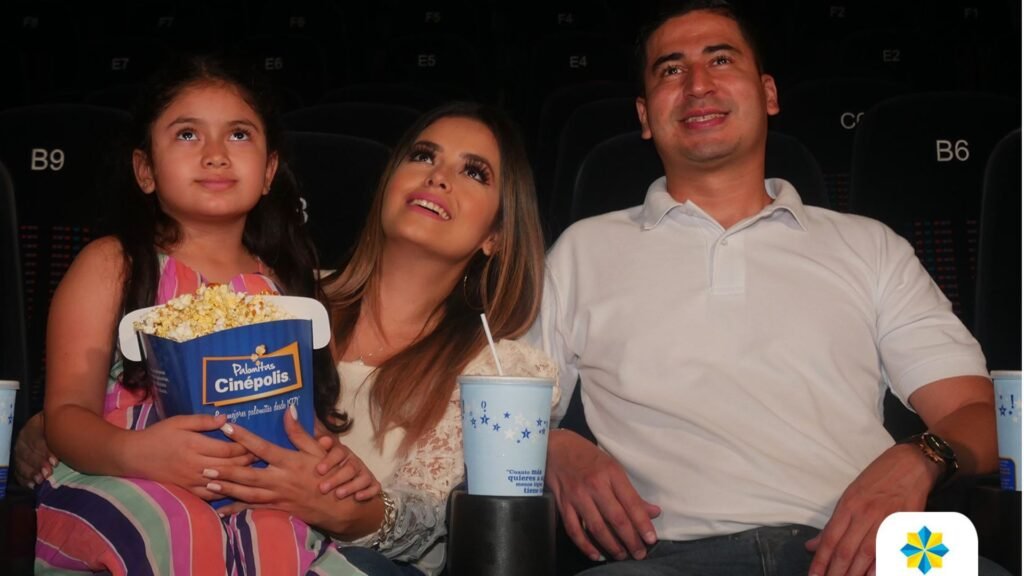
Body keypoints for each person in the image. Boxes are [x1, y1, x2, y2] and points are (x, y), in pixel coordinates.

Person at [527, 2, 1003, 575]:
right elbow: (495, 410)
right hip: (662, 560)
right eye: (670, 70)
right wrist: (551, 447)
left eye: (721, 60)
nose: (698, 85)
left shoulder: (870, 246)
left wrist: (919, 458)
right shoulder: (583, 250)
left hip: (869, 554)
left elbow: (980, 415)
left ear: (769, 94)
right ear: (645, 115)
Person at [33, 54, 376, 575]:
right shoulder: (113, 264)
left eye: (239, 135)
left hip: (251, 488)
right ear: (145, 170)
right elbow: (63, 418)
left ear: (268, 172)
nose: (216, 154)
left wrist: (325, 464)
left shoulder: (284, 287)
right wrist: (137, 453)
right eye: (188, 135)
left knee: (280, 535)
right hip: (119, 477)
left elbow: (298, 415)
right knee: (181, 526)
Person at [192, 101, 555, 576]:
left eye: (474, 172)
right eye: (424, 156)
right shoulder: (277, 299)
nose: (438, 177)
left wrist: (347, 509)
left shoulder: (498, 369)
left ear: (496, 236)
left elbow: (433, 525)